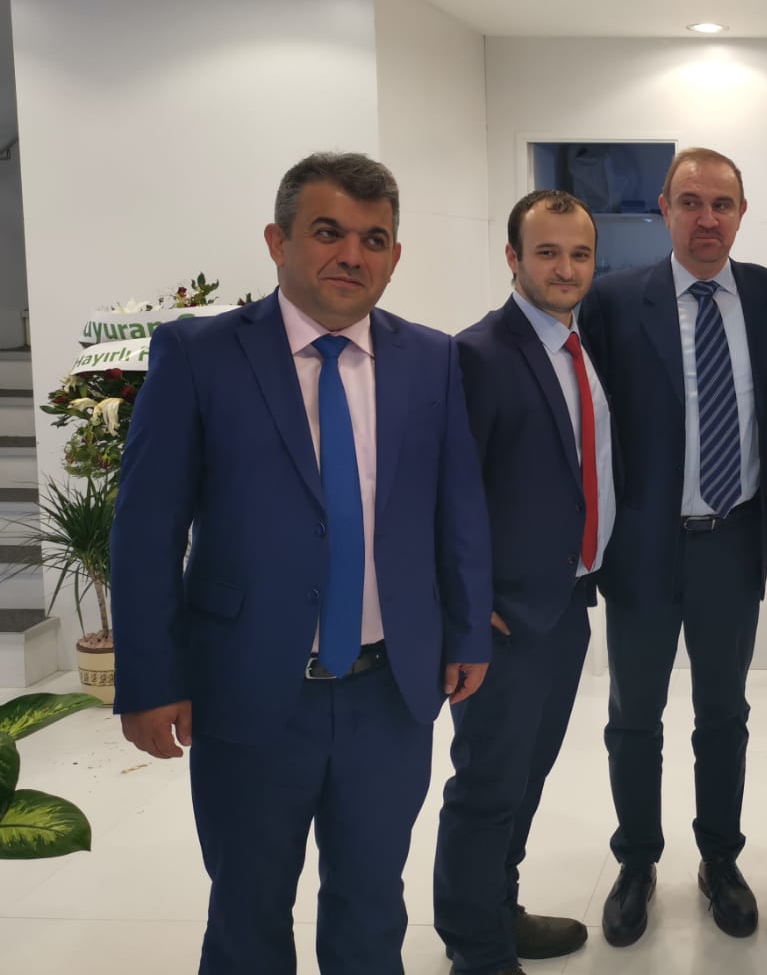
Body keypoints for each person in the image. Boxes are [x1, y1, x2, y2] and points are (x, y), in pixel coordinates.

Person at [111, 152, 492, 974]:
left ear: (395, 256)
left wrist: (468, 631)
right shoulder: (200, 354)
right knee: (247, 914)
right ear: (277, 241)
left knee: (372, 909)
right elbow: (145, 530)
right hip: (249, 691)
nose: (352, 255)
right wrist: (148, 679)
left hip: (389, 693)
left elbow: (456, 507)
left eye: (374, 239)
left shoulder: (430, 358)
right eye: (328, 232)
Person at [578, 147, 767, 946]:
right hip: (642, 548)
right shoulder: (612, 301)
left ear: (742, 212)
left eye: (723, 204)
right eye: (692, 202)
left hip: (730, 544)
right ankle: (637, 862)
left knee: (724, 715)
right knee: (635, 715)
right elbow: (585, 426)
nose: (708, 219)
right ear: (665, 208)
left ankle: (720, 859)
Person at [434, 190, 616, 973]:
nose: (564, 268)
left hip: (565, 603)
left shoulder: (582, 345)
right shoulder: (478, 354)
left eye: (579, 254)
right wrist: (469, 612)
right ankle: (475, 947)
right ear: (513, 257)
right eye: (547, 252)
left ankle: (497, 909)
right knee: (487, 786)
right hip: (503, 621)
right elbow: (445, 496)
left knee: (526, 776)